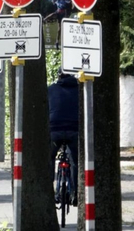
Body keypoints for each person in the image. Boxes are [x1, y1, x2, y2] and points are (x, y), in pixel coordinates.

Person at [48, 70, 79, 205]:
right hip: (74, 130)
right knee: (76, 162)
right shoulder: (80, 90)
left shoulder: (51, 89)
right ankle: (77, 194)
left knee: (49, 159)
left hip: (54, 130)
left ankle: (48, 192)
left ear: (59, 76)